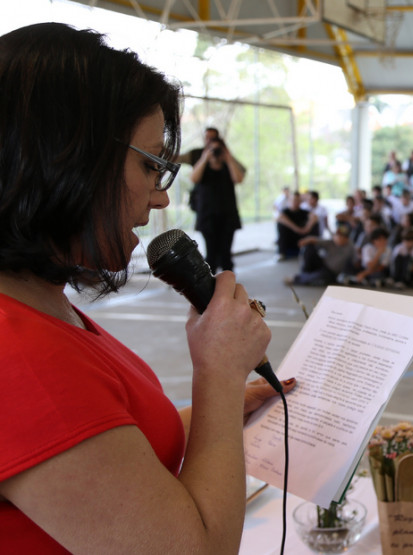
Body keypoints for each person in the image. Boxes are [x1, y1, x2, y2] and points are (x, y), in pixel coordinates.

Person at [0, 23, 293, 553]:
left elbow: (103, 448)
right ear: (64, 158)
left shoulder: (36, 304)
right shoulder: (18, 353)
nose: (160, 199)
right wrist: (220, 373)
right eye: (149, 165)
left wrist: (218, 411)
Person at [190, 126, 246, 272]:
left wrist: (227, 158)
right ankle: (211, 284)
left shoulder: (228, 164)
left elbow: (239, 179)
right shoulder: (201, 162)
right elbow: (194, 178)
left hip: (227, 215)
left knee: (226, 254)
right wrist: (205, 158)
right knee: (211, 254)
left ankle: (228, 283)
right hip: (207, 216)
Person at [286, 225, 356, 286]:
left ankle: (297, 278)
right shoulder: (331, 242)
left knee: (320, 277)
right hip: (323, 264)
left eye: (341, 236)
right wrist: (305, 241)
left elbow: (355, 262)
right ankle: (305, 273)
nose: (338, 238)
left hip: (331, 273)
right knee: (309, 248)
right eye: (337, 235)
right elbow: (315, 240)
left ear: (347, 238)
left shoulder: (351, 248)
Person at [275, 190, 318, 259]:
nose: (295, 202)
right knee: (281, 224)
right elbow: (280, 217)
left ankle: (313, 250)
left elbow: (314, 217)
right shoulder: (285, 212)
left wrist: (307, 228)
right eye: (293, 200)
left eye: (297, 200)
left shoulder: (304, 212)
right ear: (289, 200)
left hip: (301, 238)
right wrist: (297, 229)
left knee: (315, 224)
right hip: (289, 238)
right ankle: (281, 253)